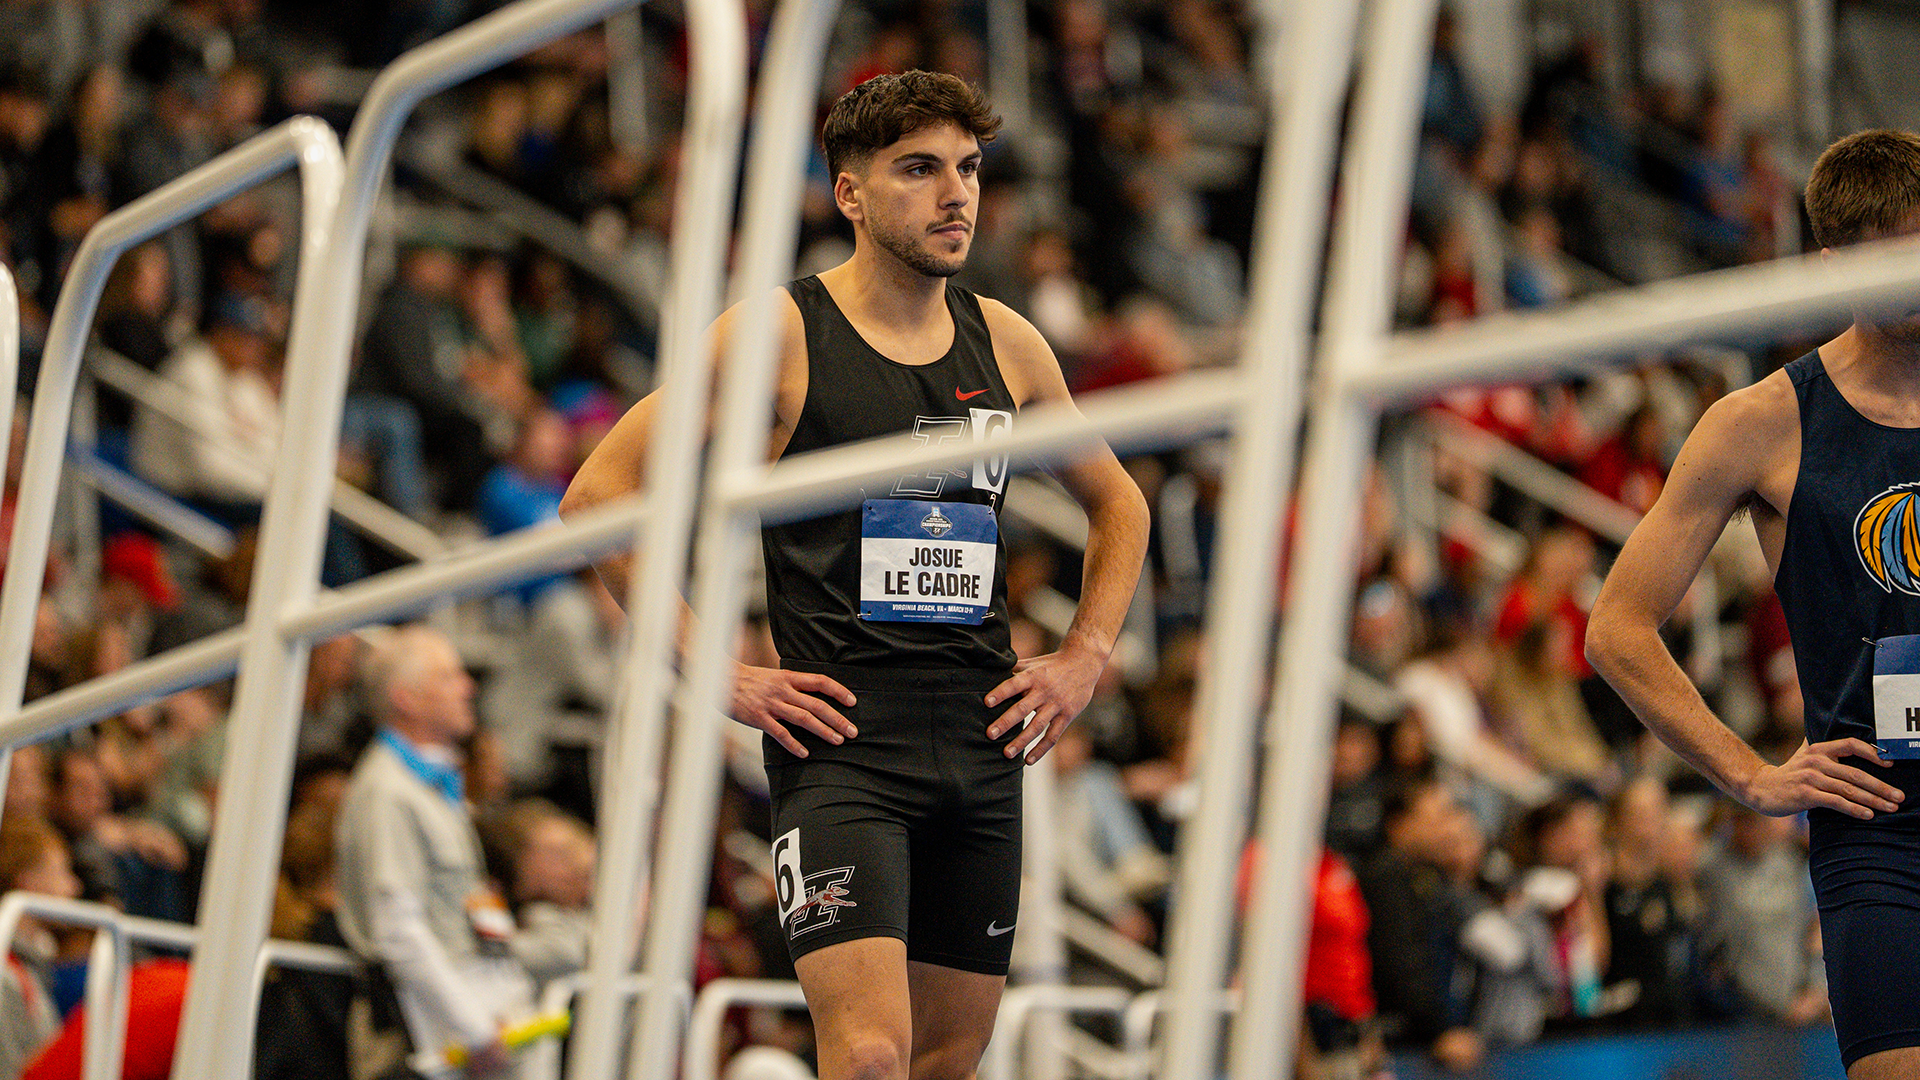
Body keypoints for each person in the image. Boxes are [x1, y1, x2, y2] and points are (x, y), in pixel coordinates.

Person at [562, 70, 1150, 1080]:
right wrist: (716, 668)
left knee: (945, 1064)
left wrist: (1086, 654)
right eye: (918, 170)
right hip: (844, 748)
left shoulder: (1007, 341)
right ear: (849, 194)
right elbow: (598, 496)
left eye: (967, 169)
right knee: (871, 1057)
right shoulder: (777, 336)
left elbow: (1121, 504)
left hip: (982, 743)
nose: (956, 194)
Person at [1585, 128, 1920, 1079]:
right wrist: (1748, 774)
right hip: (1882, 830)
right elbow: (1617, 628)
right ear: (1831, 266)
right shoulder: (1760, 424)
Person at [333, 624, 539, 1079]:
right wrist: (473, 1029)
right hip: (418, 1036)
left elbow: (463, 909)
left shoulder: (432, 785)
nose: (467, 687)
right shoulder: (388, 790)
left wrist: (503, 1002)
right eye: (449, 676)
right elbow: (398, 930)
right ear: (406, 698)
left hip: (452, 1025)